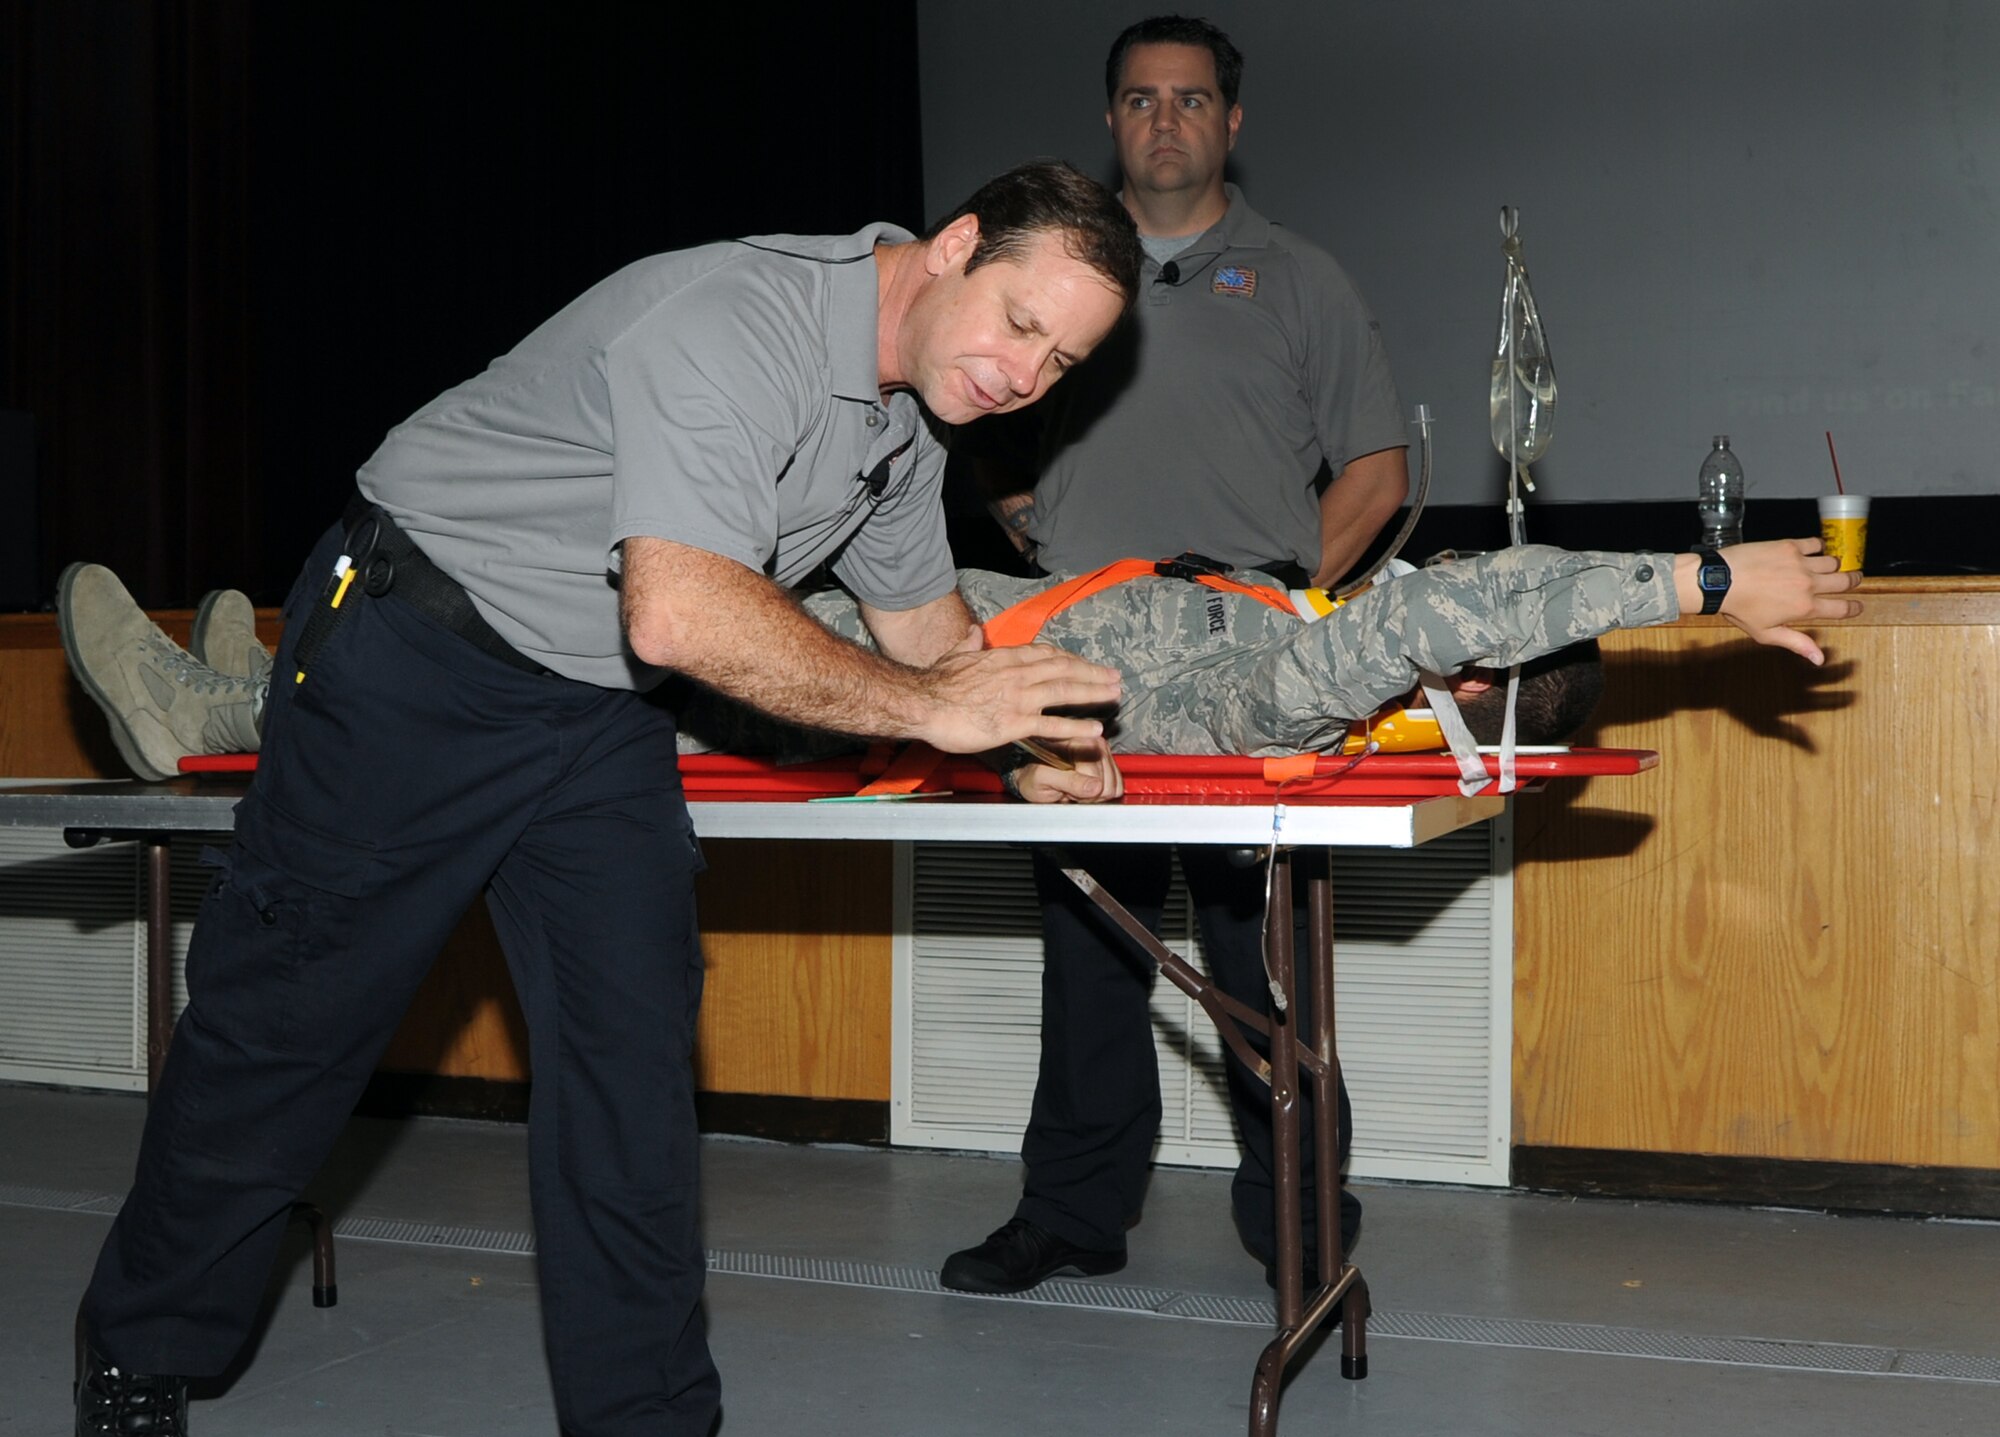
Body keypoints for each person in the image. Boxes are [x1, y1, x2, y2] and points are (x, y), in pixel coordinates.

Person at [58, 160, 1142, 1437]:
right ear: (947, 250)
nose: (1025, 376)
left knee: (632, 1050)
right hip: (414, 652)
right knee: (286, 1036)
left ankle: (645, 1435)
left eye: (1062, 360)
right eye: (1018, 323)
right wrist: (944, 714)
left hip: (589, 713)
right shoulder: (733, 322)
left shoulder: (904, 430)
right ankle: (140, 1358)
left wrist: (1026, 743)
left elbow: (926, 632)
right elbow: (685, 608)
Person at [944, 14, 1412, 1295]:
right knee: (1088, 942)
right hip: (1081, 666)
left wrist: (1276, 615)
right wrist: (1042, 539)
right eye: (1140, 99)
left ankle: (1297, 1211)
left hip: (1239, 670)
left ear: (1231, 123)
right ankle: (1073, 1212)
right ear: (1109, 120)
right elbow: (979, 415)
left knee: (1259, 953)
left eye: (1191, 100)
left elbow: (1377, 470)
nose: (1165, 120)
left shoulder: (1299, 278)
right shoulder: (1053, 278)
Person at [69, 539, 1852, 773]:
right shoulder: (1311, 639)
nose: (1448, 588)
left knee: (544, 648)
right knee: (530, 597)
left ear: (1468, 682)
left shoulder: (1319, 679)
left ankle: (210, 703)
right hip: (918, 619)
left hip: (866, 673)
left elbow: (1455, 605)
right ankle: (268, 659)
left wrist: (1694, 577)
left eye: (1471, 625)